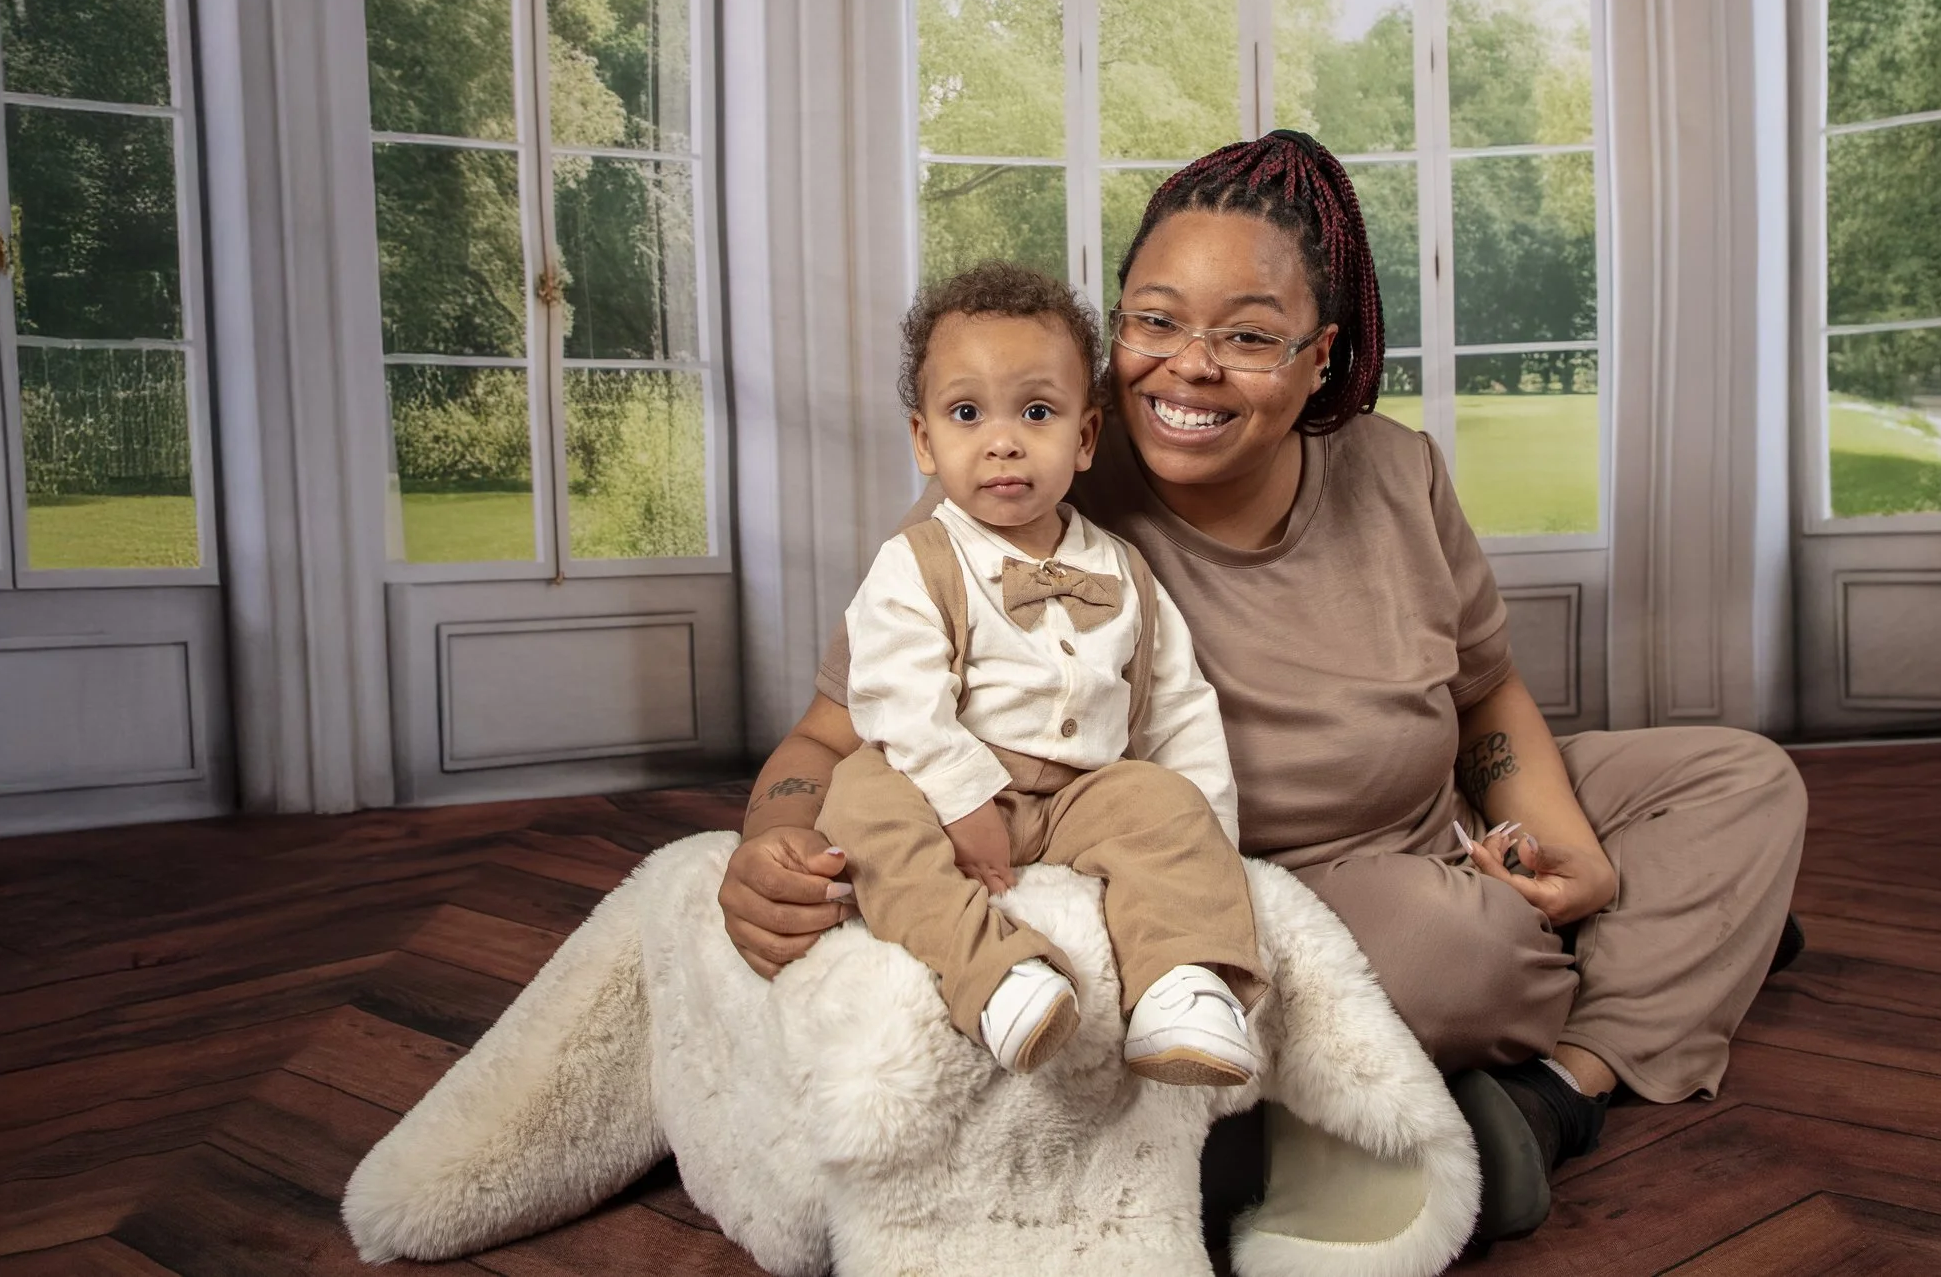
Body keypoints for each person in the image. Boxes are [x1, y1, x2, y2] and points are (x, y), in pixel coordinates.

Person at [721, 130, 1809, 1242]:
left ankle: (1558, 1086)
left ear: (1320, 354)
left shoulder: (1396, 468)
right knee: (1446, 958)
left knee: (1741, 780)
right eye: (1152, 320)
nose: (1187, 365)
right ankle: (1648, 964)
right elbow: (829, 737)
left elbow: (1487, 694)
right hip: (1282, 884)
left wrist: (1562, 842)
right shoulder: (1026, 484)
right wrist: (767, 842)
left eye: (1245, 335)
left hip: (1446, 819)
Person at [821, 260, 1267, 1085]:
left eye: (1037, 411)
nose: (1003, 440)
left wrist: (1204, 843)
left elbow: (1178, 708)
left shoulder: (1127, 571)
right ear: (924, 439)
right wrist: (961, 797)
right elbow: (897, 694)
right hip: (944, 781)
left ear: (1085, 436)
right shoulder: (915, 560)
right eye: (966, 412)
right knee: (860, 799)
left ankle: (1182, 979)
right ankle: (993, 973)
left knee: (1164, 798)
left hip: (1078, 795)